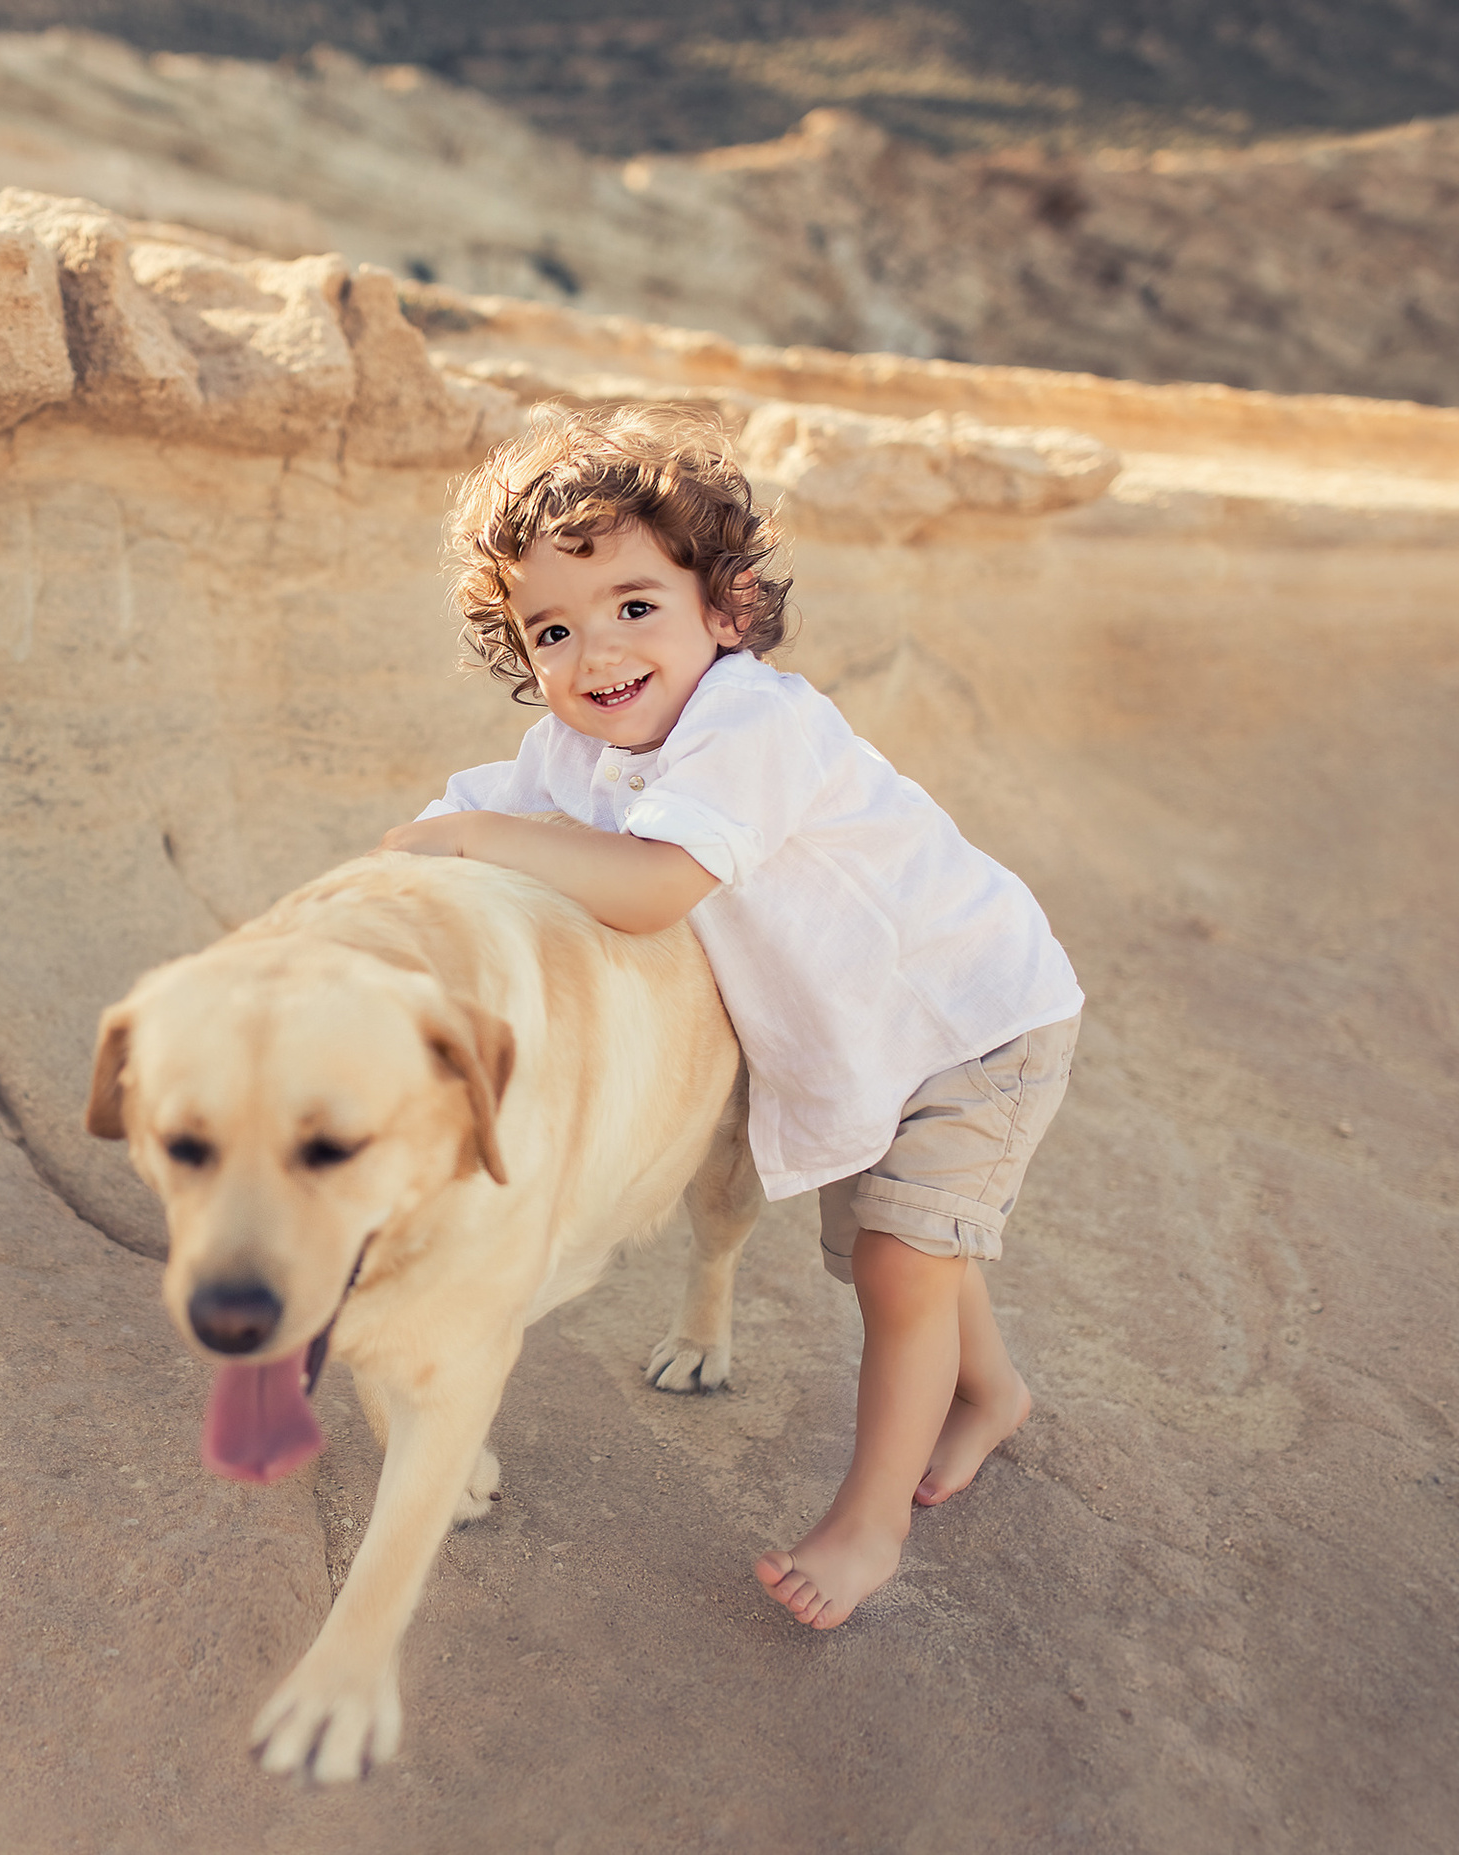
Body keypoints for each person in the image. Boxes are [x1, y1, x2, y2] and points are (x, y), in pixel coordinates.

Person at [381, 402, 1083, 1629]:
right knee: (914, 1234)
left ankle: (867, 1525)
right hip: (868, 1042)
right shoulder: (577, 744)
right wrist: (413, 859)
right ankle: (991, 1394)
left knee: (899, 1257)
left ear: (728, 609)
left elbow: (651, 889)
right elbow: (470, 813)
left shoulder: (753, 723)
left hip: (973, 1016)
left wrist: (481, 839)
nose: (597, 653)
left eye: (634, 606)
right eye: (554, 629)